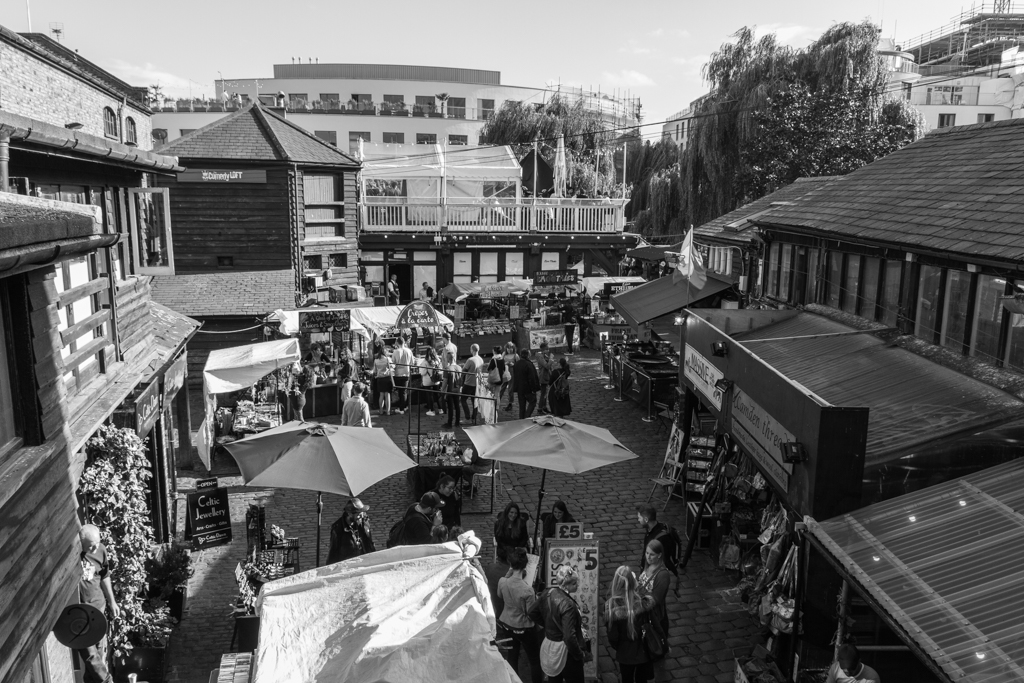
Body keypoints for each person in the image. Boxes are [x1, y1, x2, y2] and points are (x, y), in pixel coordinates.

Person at [530, 565, 592, 683]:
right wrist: (579, 655)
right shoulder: (568, 605)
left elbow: (532, 612)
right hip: (566, 652)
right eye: (574, 583)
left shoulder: (548, 592)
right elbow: (569, 637)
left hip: (550, 644)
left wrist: (548, 624)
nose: (577, 585)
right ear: (566, 585)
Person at [78, 524, 119, 683]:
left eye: (97, 543)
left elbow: (104, 576)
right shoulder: (74, 556)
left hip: (98, 612)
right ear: (81, 543)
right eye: (90, 546)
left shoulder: (100, 549)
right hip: (79, 617)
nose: (95, 548)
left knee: (97, 661)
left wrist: (112, 602)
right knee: (92, 659)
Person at [497, 548, 543, 683]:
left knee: (512, 656)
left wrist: (507, 575)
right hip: (524, 627)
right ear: (525, 567)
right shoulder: (528, 590)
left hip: (506, 623)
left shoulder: (502, 581)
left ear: (510, 564)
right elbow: (531, 613)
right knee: (534, 660)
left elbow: (500, 596)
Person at [605, 565, 655, 683]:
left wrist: (619, 647)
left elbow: (613, 636)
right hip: (643, 652)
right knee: (642, 680)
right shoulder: (643, 602)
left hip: (625, 654)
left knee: (626, 679)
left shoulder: (611, 606)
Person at [637, 540, 671, 672]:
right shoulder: (647, 565)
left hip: (655, 616)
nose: (648, 556)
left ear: (659, 555)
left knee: (655, 642)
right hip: (643, 612)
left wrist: (639, 589)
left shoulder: (662, 575)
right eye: (646, 553)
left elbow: (655, 599)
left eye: (651, 554)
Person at [326, 499, 375, 564]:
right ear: (349, 513)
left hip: (365, 564)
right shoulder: (338, 528)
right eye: (358, 513)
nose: (361, 515)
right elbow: (333, 553)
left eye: (362, 512)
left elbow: (370, 544)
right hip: (349, 567)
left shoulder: (364, 522)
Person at [638, 505, 678, 576]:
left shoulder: (662, 538)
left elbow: (664, 561)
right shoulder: (651, 529)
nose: (638, 520)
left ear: (646, 519)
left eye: (639, 518)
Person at [510, 349, 540, 419]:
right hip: (528, 388)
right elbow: (532, 378)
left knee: (522, 405)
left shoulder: (516, 364)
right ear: (528, 355)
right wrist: (533, 389)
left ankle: (521, 419)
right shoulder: (529, 364)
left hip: (520, 388)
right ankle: (527, 416)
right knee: (533, 402)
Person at [461, 343, 485, 423]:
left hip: (468, 383)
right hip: (476, 383)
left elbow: (464, 370)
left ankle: (467, 417)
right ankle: (474, 417)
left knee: (463, 399)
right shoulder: (481, 359)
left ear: (472, 350)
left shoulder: (470, 360)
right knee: (474, 401)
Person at [391, 335, 414, 414]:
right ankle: (404, 406)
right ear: (404, 342)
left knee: (401, 391)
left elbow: (393, 363)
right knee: (404, 391)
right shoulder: (409, 351)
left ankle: (401, 408)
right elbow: (412, 362)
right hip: (406, 372)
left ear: (397, 343)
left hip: (398, 373)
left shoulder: (395, 351)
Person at [418, 346, 443, 416]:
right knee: (437, 395)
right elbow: (440, 369)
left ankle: (431, 410)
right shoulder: (438, 360)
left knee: (429, 396)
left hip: (428, 381)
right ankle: (441, 409)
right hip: (436, 380)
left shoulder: (425, 361)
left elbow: (423, 372)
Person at [442, 350, 463, 429]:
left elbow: (445, 381)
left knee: (450, 407)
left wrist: (442, 390)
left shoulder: (447, 368)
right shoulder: (459, 368)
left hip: (450, 390)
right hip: (457, 390)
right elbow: (461, 380)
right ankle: (457, 422)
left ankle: (449, 423)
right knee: (457, 406)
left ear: (448, 359)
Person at [373, 347, 394, 417]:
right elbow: (392, 367)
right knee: (387, 395)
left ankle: (381, 410)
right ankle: (388, 411)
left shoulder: (376, 360)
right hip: (387, 378)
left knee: (381, 395)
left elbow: (374, 371)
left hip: (380, 379)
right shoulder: (387, 359)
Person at [536, 342, 555, 414]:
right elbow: (546, 366)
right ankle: (540, 409)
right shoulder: (540, 357)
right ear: (543, 349)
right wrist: (551, 360)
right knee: (543, 393)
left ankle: (544, 407)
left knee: (545, 393)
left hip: (547, 376)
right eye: (547, 349)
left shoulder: (545, 355)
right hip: (543, 377)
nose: (548, 350)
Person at [501, 341, 518, 407]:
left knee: (510, 388)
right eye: (508, 348)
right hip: (505, 371)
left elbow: (518, 364)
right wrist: (505, 363)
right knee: (502, 386)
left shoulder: (515, 355)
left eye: (511, 348)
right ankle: (497, 399)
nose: (510, 349)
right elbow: (501, 362)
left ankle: (510, 402)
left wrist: (513, 364)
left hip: (512, 372)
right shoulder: (504, 354)